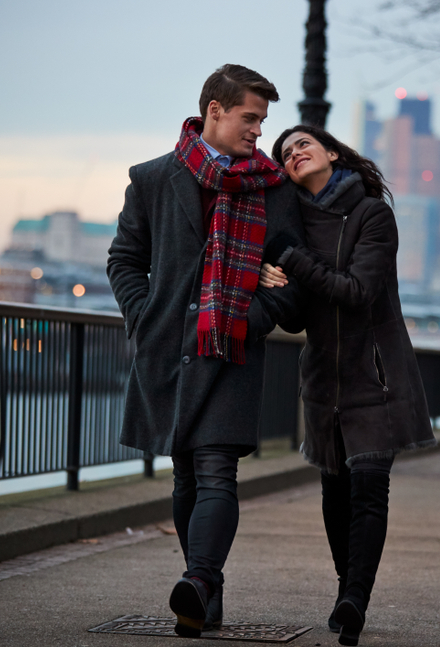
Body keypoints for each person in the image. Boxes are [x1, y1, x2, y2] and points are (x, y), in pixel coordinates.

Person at [106, 65, 306, 638]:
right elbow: (124, 260)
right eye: (250, 118)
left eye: (263, 122)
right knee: (186, 478)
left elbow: (293, 282)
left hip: (231, 351)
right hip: (169, 350)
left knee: (218, 472)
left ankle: (196, 580)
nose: (258, 133)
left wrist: (253, 316)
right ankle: (205, 592)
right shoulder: (151, 178)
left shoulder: (274, 190)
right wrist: (145, 318)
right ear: (214, 110)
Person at [259, 125, 436, 647]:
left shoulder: (372, 215)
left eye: (303, 145)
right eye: (286, 152)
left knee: (368, 489)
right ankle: (346, 588)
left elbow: (357, 291)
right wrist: (275, 283)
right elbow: (296, 320)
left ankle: (356, 597)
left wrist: (290, 262)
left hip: (374, 372)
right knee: (334, 494)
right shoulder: (292, 223)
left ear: (331, 153)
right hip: (322, 378)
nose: (294, 154)